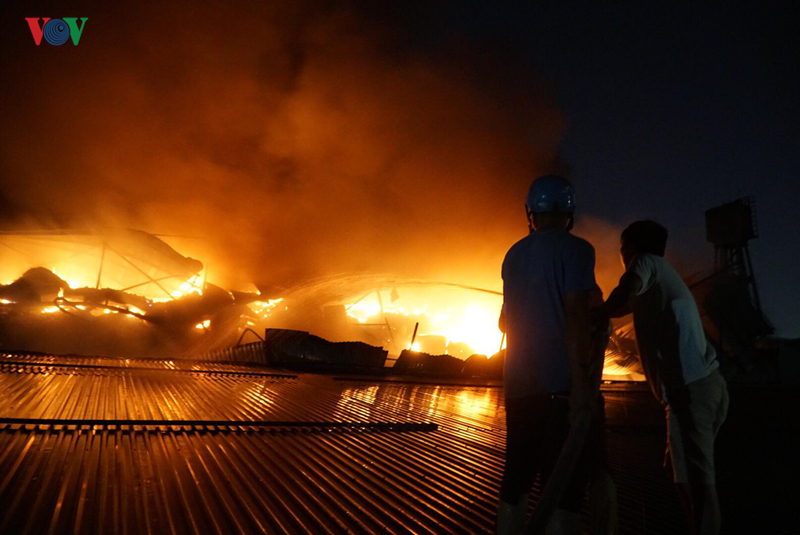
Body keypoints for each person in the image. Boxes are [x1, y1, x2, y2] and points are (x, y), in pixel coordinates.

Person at [594, 220, 728, 535]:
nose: (622, 256)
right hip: (701, 389)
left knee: (697, 481)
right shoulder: (661, 279)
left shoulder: (646, 263)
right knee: (680, 470)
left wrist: (594, 313)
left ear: (631, 248)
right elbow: (627, 302)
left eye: (622, 249)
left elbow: (626, 289)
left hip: (690, 391)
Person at [497, 175, 602, 535]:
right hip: (560, 388)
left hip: (518, 388)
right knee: (564, 488)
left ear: (530, 212)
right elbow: (576, 313)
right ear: (570, 212)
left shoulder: (513, 255)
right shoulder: (578, 250)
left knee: (516, 483)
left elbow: (503, 323)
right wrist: (580, 385)